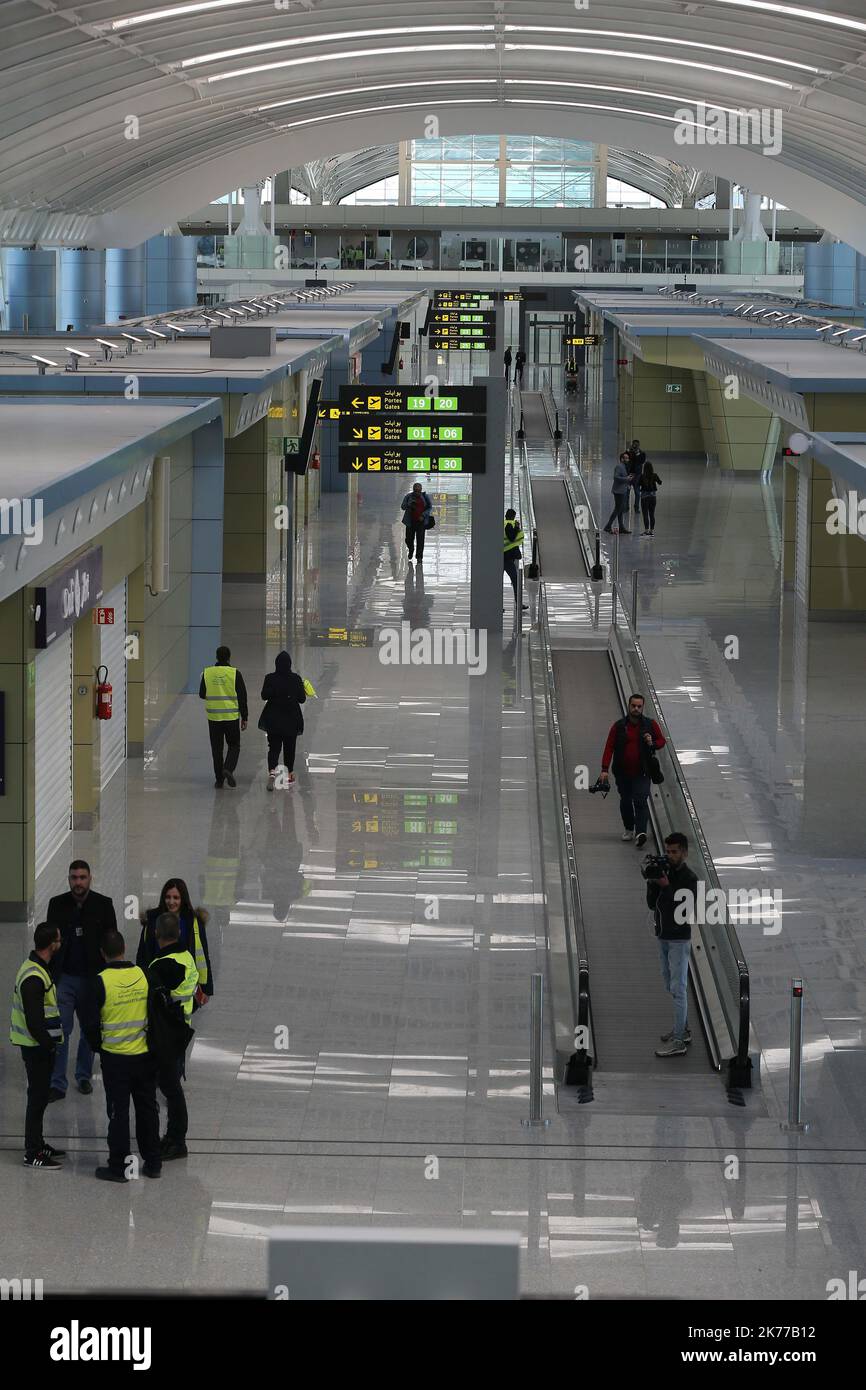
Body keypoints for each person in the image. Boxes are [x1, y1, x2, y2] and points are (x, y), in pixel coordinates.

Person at [83, 930, 161, 1182]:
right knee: (147, 1109)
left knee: (118, 1113)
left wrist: (100, 1046)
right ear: (124, 948)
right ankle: (153, 1162)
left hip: (115, 1060)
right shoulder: (143, 974)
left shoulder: (99, 981)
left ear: (102, 953)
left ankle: (119, 1167)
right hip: (145, 1057)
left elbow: (91, 1024)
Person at [46, 859, 117, 1101]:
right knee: (62, 1031)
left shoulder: (103, 905)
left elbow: (111, 942)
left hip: (92, 979)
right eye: (74, 878)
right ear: (69, 879)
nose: (78, 882)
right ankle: (57, 1082)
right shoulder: (56, 905)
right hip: (65, 978)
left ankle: (83, 1076)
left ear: (90, 879)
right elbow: (49, 943)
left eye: (82, 877)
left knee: (89, 1031)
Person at [10, 923, 65, 1169]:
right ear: (52, 943)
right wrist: (48, 1046)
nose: (60, 944)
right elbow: (34, 1021)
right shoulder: (34, 976)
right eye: (59, 940)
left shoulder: (38, 968)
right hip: (36, 1047)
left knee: (40, 1097)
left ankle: (38, 1142)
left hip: (38, 1046)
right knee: (37, 1097)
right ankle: (32, 1152)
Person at [146, 913, 197, 1160]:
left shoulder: (159, 966)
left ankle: (176, 1140)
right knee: (172, 1087)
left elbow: (154, 1004)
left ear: (156, 934)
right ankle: (175, 1138)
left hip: (165, 1034)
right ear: (179, 933)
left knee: (169, 1088)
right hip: (181, 1029)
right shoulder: (187, 958)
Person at [647, 832, 699, 1057]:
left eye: (674, 852)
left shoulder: (690, 879)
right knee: (669, 984)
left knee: (678, 989)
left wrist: (667, 887)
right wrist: (653, 883)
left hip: (678, 938)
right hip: (663, 935)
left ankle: (679, 1041)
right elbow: (652, 905)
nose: (670, 856)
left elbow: (683, 911)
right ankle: (683, 1029)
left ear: (684, 853)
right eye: (667, 851)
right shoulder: (664, 872)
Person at [599, 693, 666, 848]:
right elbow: (609, 747)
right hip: (622, 772)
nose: (636, 709)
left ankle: (641, 832)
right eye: (633, 706)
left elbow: (662, 741)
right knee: (626, 801)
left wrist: (652, 742)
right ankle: (629, 828)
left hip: (642, 771)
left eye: (639, 706)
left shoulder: (650, 724)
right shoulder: (619, 726)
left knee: (641, 800)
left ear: (642, 707)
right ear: (629, 706)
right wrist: (604, 769)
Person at [137, 878, 213, 1009]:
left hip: (183, 985)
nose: (171, 902)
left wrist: (206, 988)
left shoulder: (193, 922)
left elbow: (202, 956)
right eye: (168, 897)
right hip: (155, 982)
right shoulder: (152, 920)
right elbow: (142, 955)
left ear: (183, 899)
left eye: (176, 898)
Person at [199, 644, 248, 789]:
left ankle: (219, 780)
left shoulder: (207, 673)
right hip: (231, 716)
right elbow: (242, 697)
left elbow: (202, 694)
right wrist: (244, 717)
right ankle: (228, 768)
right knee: (234, 745)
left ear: (216, 657)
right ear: (229, 657)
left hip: (214, 718)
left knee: (217, 749)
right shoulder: (235, 673)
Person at [260, 650, 307, 790]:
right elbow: (302, 699)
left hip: (273, 719)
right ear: (289, 664)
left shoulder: (269, 678)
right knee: (289, 747)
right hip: (291, 719)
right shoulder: (296, 679)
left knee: (273, 747)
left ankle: (272, 772)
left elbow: (264, 695)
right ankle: (289, 773)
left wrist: (275, 691)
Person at [400, 481, 433, 562]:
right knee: (408, 539)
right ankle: (411, 549)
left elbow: (430, 507)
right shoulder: (408, 496)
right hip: (410, 522)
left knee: (420, 540)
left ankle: (419, 557)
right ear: (413, 490)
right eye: (415, 490)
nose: (417, 492)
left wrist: (423, 515)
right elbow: (402, 507)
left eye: (418, 491)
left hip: (421, 522)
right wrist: (409, 504)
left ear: (421, 490)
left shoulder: (425, 497)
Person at [603, 453, 635, 535]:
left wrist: (627, 482)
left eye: (628, 458)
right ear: (621, 459)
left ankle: (621, 527)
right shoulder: (619, 467)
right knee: (618, 509)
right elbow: (616, 477)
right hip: (618, 492)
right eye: (625, 458)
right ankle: (608, 526)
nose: (627, 460)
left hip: (622, 490)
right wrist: (626, 479)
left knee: (620, 510)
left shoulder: (624, 467)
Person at [504, 508, 528, 610]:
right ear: (512, 516)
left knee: (498, 583)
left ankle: (496, 604)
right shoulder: (509, 525)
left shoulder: (503, 523)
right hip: (507, 558)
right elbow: (512, 537)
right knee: (515, 581)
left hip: (501, 556)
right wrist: (517, 528)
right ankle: (519, 603)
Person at [639, 459, 663, 536]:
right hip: (653, 497)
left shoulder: (642, 476)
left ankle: (646, 530)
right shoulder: (654, 475)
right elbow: (660, 483)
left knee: (645, 514)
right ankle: (651, 531)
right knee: (652, 514)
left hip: (644, 497)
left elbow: (638, 484)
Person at [628, 439, 647, 519]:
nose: (635, 446)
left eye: (636, 445)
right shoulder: (628, 452)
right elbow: (624, 459)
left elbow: (641, 461)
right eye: (634, 445)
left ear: (639, 445)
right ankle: (626, 507)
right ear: (632, 445)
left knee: (637, 492)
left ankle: (636, 508)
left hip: (637, 475)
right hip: (629, 474)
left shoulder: (642, 454)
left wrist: (637, 454)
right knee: (626, 491)